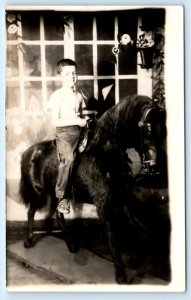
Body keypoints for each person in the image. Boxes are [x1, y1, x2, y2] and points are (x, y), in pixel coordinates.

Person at [47, 58, 87, 214]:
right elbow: (55, 121)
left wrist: (85, 122)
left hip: (80, 132)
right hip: (64, 133)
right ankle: (62, 198)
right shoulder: (57, 95)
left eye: (74, 73)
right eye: (67, 74)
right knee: (69, 159)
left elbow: (82, 116)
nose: (72, 76)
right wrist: (78, 120)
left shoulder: (79, 96)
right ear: (60, 77)